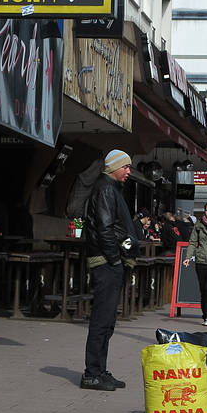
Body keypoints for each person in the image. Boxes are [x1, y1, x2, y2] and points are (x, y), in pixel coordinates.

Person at [81, 149, 140, 391]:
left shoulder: (111, 188)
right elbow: (105, 227)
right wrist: (115, 259)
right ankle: (92, 373)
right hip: (106, 262)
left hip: (110, 261)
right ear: (113, 167)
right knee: (102, 319)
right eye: (125, 167)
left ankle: (100, 370)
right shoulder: (106, 189)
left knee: (108, 320)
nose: (128, 171)